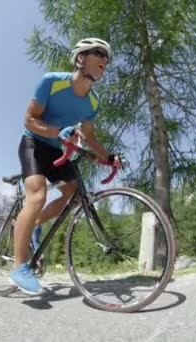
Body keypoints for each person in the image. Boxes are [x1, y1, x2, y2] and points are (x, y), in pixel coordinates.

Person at [10, 37, 121, 294]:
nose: (105, 60)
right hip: (33, 145)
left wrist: (107, 156)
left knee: (74, 197)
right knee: (37, 195)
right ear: (81, 58)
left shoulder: (93, 102)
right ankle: (19, 267)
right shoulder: (52, 81)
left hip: (57, 150)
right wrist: (58, 130)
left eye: (107, 57)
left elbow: (89, 136)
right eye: (99, 54)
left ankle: (31, 224)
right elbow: (29, 120)